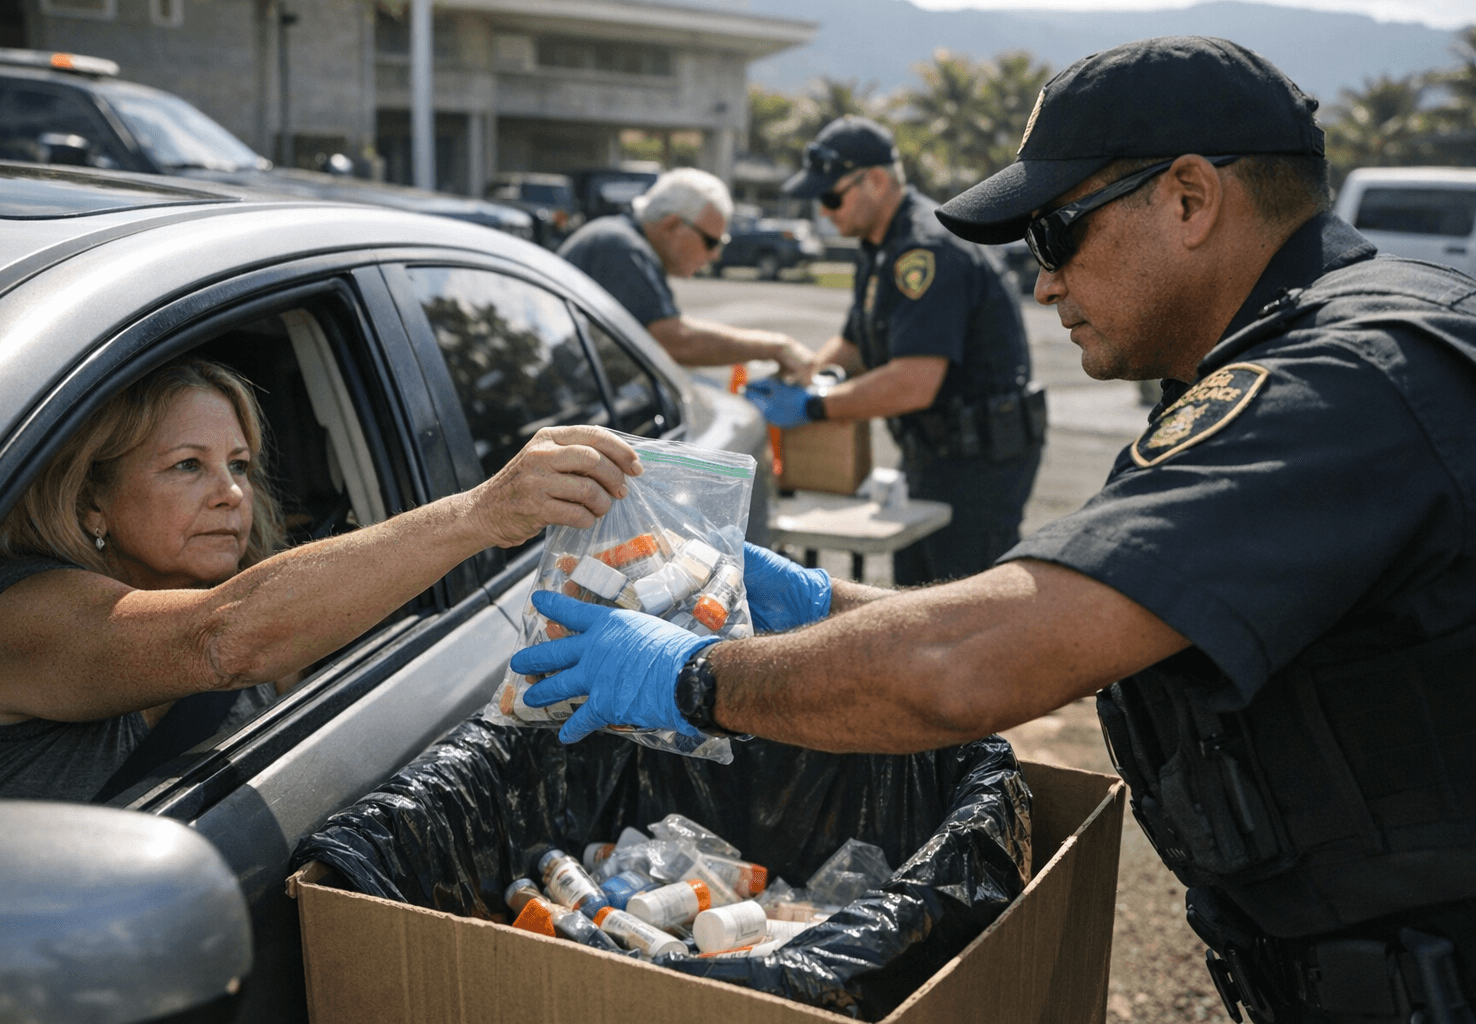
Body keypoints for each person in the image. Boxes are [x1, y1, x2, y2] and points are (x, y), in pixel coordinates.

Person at [509, 36, 1476, 1024]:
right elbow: (1077, 619)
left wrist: (695, 680)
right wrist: (815, 601)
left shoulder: (1333, 384)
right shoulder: (1314, 354)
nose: (1043, 283)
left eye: (1055, 234)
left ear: (1188, 198)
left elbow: (969, 669)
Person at [0, 357, 641, 804]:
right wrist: (482, 512)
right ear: (92, 500)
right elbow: (222, 638)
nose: (230, 495)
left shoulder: (274, 602)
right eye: (188, 465)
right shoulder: (17, 617)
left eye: (240, 466)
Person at [746, 116, 1043, 583]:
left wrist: (814, 405)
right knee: (915, 586)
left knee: (961, 604)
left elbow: (913, 383)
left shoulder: (924, 251)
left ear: (878, 181)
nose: (824, 212)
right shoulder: (878, 244)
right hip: (933, 450)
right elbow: (856, 343)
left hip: (979, 461)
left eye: (831, 197)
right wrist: (806, 374)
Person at [558, 167, 815, 383]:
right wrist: (774, 347)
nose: (715, 255)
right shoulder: (621, 248)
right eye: (712, 242)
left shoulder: (623, 241)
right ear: (671, 225)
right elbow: (675, 341)